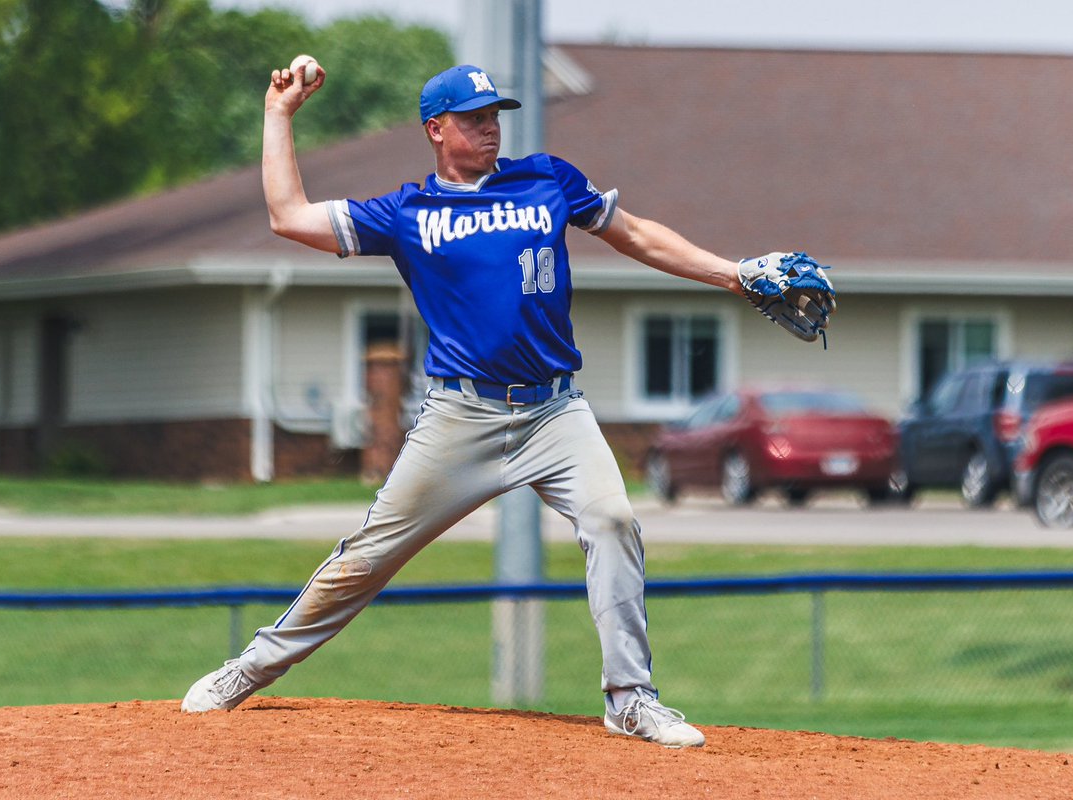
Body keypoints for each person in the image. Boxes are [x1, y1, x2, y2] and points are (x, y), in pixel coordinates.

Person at [181, 60, 752, 749]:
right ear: (435, 128)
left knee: (611, 519)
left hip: (554, 412)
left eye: (495, 115)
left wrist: (734, 272)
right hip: (461, 417)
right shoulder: (408, 213)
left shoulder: (546, 179)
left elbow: (635, 234)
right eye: (475, 117)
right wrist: (279, 116)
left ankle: (630, 698)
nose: (490, 127)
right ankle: (250, 667)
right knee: (366, 559)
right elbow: (288, 218)